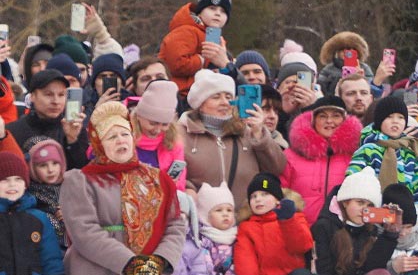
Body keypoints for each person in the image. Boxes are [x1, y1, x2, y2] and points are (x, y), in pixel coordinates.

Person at [59, 100, 186, 275]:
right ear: (98, 144)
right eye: (111, 137)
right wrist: (131, 264)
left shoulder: (157, 178)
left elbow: (175, 224)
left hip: (151, 273)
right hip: (99, 272)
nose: (120, 140)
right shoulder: (81, 181)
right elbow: (84, 232)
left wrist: (159, 261)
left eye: (125, 134)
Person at [180, 71, 287, 207]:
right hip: (201, 216)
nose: (225, 102)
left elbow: (277, 168)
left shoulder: (246, 131)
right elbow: (173, 174)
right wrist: (188, 189)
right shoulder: (182, 133)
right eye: (216, 97)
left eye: (228, 97)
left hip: (245, 216)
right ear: (200, 103)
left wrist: (259, 134)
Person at [312, 170, 416, 275]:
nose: (364, 209)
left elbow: (371, 269)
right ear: (345, 202)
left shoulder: (371, 229)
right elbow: (324, 272)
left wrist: (389, 235)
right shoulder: (324, 226)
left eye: (370, 205)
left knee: (382, 274)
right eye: (360, 203)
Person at [349, 97, 418, 229]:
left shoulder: (410, 155)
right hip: (371, 219)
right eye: (389, 117)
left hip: (403, 220)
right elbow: (353, 181)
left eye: (401, 117)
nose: (395, 121)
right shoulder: (368, 150)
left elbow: (417, 189)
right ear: (380, 120)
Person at [284, 96, 361, 223]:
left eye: (336, 116)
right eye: (322, 116)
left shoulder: (356, 156)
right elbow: (277, 191)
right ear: (313, 121)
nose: (329, 121)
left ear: (345, 120)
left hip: (342, 231)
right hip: (299, 230)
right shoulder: (291, 155)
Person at [232, 172, 311, 275]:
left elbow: (303, 246)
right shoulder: (247, 228)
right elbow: (246, 264)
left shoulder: (294, 217)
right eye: (253, 196)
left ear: (277, 199)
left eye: (265, 194)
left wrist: (288, 221)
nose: (258, 199)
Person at [0, 150, 64, 275]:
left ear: (25, 184)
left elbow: (51, 260)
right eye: (5, 180)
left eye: (18, 179)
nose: (12, 184)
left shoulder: (39, 219)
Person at [8, 69, 85, 173]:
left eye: (61, 95)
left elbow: (81, 172)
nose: (56, 101)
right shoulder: (13, 131)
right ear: (32, 96)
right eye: (48, 94)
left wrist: (72, 141)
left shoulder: (76, 128)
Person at [160, 0, 233, 95]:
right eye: (212, 8)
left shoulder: (215, 37)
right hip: (179, 94)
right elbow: (177, 64)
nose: (218, 13)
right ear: (199, 12)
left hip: (201, 94)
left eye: (223, 11)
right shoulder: (185, 31)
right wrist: (202, 60)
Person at [130, 83, 186, 192]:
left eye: (165, 124)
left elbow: (180, 185)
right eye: (153, 123)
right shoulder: (124, 139)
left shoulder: (174, 144)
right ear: (139, 117)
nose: (158, 130)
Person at [186, 184, 237, 275]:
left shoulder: (238, 237)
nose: (225, 214)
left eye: (229, 210)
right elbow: (204, 268)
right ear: (206, 216)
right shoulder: (202, 240)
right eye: (219, 210)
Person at [23, 140, 65, 250]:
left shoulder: (74, 187)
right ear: (32, 167)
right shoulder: (30, 198)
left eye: (55, 163)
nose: (50, 170)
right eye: (43, 165)